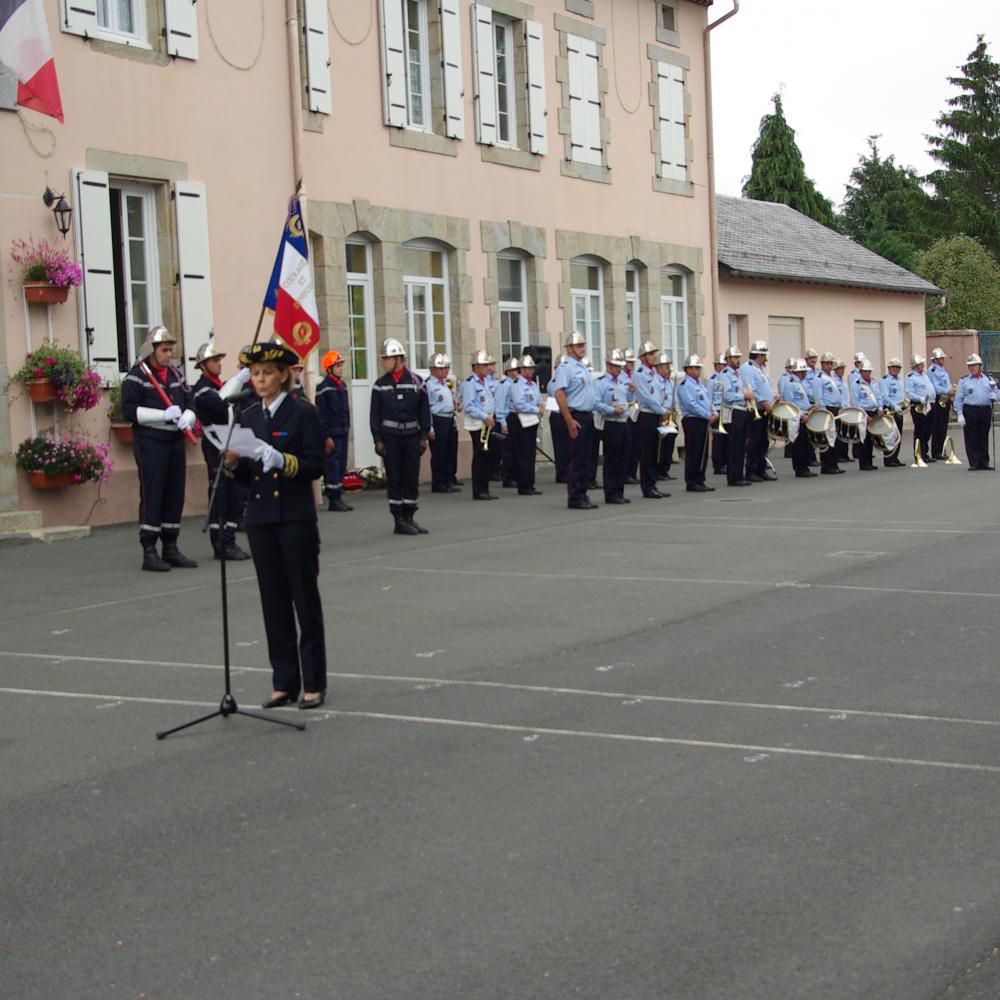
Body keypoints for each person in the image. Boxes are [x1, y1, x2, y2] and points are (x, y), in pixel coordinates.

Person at [222, 341, 327, 710]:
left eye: (267, 373)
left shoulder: (303, 414)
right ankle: (284, 682)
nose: (260, 379)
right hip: (262, 519)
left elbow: (315, 465)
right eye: (255, 373)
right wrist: (234, 463)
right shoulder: (249, 416)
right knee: (273, 603)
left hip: (295, 518)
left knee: (303, 599)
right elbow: (247, 477)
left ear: (283, 375)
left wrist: (282, 459)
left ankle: (314, 682)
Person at [121, 325, 199, 572]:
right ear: (152, 351)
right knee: (153, 492)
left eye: (170, 350)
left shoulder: (176, 374)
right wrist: (162, 415)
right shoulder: (136, 376)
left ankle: (171, 547)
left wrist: (189, 415)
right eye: (165, 350)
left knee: (175, 494)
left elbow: (191, 400)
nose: (169, 355)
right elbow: (130, 410)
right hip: (150, 441)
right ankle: (149, 550)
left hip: (175, 441)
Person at [191, 341, 250, 561]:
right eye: (214, 360)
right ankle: (221, 544)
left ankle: (229, 540)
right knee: (222, 494)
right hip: (216, 445)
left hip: (231, 443)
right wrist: (238, 380)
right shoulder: (202, 391)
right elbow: (220, 405)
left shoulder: (220, 385)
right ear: (203, 366)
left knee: (234, 494)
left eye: (219, 360)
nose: (219, 364)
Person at [370, 338, 431, 534]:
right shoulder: (380, 385)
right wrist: (378, 440)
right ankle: (398, 518)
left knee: (411, 476)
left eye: (386, 359)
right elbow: (374, 415)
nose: (383, 362)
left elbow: (424, 411)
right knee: (395, 477)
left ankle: (409, 516)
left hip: (411, 436)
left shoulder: (416, 382)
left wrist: (423, 437)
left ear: (398, 359)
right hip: (391, 438)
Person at [550, 332, 598, 509]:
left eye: (583, 345)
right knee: (576, 458)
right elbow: (559, 394)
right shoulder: (565, 367)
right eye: (579, 346)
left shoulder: (582, 366)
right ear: (569, 349)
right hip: (575, 415)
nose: (583, 349)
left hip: (587, 415)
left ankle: (582, 493)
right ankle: (575, 497)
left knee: (586, 458)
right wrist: (569, 420)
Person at [315, 350, 353, 511]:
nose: (340, 368)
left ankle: (338, 494)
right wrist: (326, 436)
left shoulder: (342, 386)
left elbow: (345, 409)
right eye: (337, 366)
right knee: (332, 465)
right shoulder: (323, 388)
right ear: (329, 368)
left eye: (341, 365)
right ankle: (333, 498)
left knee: (341, 464)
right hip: (332, 433)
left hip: (342, 430)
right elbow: (321, 414)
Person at [633, 340, 669, 499]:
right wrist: (661, 410)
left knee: (655, 451)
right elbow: (646, 397)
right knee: (647, 453)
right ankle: (647, 487)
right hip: (647, 414)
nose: (654, 356)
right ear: (643, 357)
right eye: (650, 354)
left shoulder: (653, 373)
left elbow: (659, 393)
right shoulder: (640, 374)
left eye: (654, 353)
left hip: (656, 413)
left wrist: (662, 410)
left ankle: (652, 484)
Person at [676, 355, 717, 492]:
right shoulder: (685, 384)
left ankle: (700, 479)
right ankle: (692, 481)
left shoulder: (699, 383)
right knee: (694, 451)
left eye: (699, 368)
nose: (698, 370)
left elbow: (707, 401)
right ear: (687, 369)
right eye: (695, 368)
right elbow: (691, 404)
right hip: (693, 420)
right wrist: (707, 415)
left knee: (702, 452)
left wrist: (714, 412)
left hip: (703, 420)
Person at [594, 348, 630, 504]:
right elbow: (596, 403)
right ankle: (610, 493)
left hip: (623, 422)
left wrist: (632, 393)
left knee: (623, 459)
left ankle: (619, 491)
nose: (619, 369)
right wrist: (612, 410)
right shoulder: (601, 382)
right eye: (616, 366)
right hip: (610, 422)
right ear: (608, 365)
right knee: (612, 459)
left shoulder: (622, 381)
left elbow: (627, 399)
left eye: (620, 366)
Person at [463, 350, 498, 500]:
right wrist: (485, 417)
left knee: (487, 456)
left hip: (487, 421)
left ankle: (485, 487)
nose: (487, 368)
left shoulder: (485, 381)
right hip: (478, 423)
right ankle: (479, 489)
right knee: (480, 456)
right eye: (483, 366)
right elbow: (469, 406)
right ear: (476, 367)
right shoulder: (470, 383)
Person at [955, 353, 998, 471]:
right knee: (971, 437)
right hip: (970, 410)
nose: (971, 367)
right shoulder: (964, 381)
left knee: (983, 436)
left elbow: (997, 393)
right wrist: (959, 414)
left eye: (974, 365)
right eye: (969, 366)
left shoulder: (988, 379)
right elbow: (958, 399)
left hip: (985, 410)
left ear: (980, 366)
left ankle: (984, 462)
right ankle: (974, 462)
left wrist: (995, 396)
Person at [741, 341, 777, 482]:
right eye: (764, 355)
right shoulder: (748, 368)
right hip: (756, 409)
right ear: (759, 355)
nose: (765, 358)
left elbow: (765, 386)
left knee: (763, 442)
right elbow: (752, 389)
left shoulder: (760, 368)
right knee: (754, 441)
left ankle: (761, 470)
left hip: (765, 409)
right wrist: (764, 403)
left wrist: (774, 397)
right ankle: (751, 471)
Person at [508, 353, 543, 496]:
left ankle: (530, 483)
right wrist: (536, 409)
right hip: (520, 420)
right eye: (527, 369)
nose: (530, 371)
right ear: (521, 370)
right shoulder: (517, 384)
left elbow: (538, 399)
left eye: (531, 369)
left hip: (532, 420)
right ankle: (523, 485)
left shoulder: (533, 384)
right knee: (522, 454)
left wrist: (540, 407)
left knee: (530, 453)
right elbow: (519, 404)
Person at [427, 353, 461, 493]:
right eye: (441, 368)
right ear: (433, 369)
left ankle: (448, 480)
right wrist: (430, 428)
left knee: (449, 451)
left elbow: (452, 397)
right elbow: (426, 408)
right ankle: (438, 482)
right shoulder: (429, 384)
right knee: (439, 453)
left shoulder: (447, 382)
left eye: (447, 368)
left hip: (449, 418)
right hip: (438, 419)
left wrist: (456, 405)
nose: (445, 371)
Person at [779, 358, 815, 478]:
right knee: (798, 445)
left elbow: (801, 401)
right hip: (797, 418)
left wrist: (811, 407)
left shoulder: (799, 383)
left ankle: (804, 466)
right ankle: (800, 469)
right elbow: (790, 403)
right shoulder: (790, 383)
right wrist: (801, 415)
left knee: (804, 443)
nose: (805, 374)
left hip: (804, 415)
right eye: (804, 371)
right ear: (799, 372)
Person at [721, 345, 751, 487]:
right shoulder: (725, 374)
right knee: (734, 445)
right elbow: (727, 396)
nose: (737, 360)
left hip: (742, 410)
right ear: (727, 359)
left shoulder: (738, 374)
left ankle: (739, 474)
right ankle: (733, 477)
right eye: (734, 357)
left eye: (738, 357)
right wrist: (744, 395)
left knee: (741, 446)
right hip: (733, 411)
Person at [814, 353, 844, 475]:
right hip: (827, 409)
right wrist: (823, 410)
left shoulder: (831, 378)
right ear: (822, 364)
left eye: (831, 363)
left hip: (835, 408)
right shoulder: (819, 378)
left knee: (834, 438)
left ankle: (834, 463)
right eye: (827, 363)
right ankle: (826, 465)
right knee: (826, 438)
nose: (830, 366)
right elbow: (818, 397)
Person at [851, 359, 883, 471]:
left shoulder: (874, 382)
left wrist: (880, 408)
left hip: (874, 412)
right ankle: (863, 463)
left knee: (871, 438)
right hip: (864, 412)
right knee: (863, 438)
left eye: (869, 371)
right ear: (861, 372)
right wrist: (865, 416)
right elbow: (856, 402)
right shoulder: (856, 383)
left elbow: (879, 397)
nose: (867, 373)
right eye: (865, 371)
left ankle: (869, 461)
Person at [494, 357, 520, 488]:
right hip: (506, 418)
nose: (517, 372)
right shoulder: (504, 385)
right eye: (515, 370)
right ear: (508, 371)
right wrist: (503, 423)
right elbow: (500, 405)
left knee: (516, 450)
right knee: (508, 451)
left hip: (516, 419)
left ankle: (516, 475)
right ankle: (508, 477)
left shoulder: (518, 384)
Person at [906, 354, 936, 463]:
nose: (923, 365)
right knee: (920, 430)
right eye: (920, 364)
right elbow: (909, 393)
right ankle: (919, 454)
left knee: (928, 428)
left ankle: (925, 452)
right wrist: (920, 398)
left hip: (929, 403)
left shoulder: (924, 375)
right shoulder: (910, 377)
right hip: (919, 405)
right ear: (915, 366)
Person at [927, 347, 955, 460]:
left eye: (943, 358)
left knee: (943, 426)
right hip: (939, 399)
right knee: (937, 426)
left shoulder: (942, 370)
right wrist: (946, 391)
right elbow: (935, 386)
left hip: (945, 398)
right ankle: (936, 451)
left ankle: (941, 450)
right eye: (940, 358)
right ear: (935, 359)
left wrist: (950, 390)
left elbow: (945, 383)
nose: (942, 360)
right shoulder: (933, 370)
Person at [879, 358, 907, 468]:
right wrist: (893, 405)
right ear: (889, 368)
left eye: (897, 368)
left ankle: (895, 457)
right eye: (893, 367)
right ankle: (888, 458)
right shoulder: (885, 380)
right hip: (890, 409)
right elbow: (885, 397)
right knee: (889, 435)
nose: (895, 369)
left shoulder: (899, 381)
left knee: (898, 434)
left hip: (898, 410)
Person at [654, 353, 677, 482]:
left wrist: (675, 413)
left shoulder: (671, 382)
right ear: (659, 368)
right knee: (660, 444)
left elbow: (675, 399)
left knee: (669, 443)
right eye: (666, 366)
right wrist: (662, 413)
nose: (668, 369)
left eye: (668, 366)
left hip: (670, 415)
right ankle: (658, 470)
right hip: (661, 414)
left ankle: (665, 470)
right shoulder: (656, 381)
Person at [708, 353, 728, 476]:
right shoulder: (712, 380)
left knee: (725, 439)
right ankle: (718, 465)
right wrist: (713, 413)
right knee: (718, 440)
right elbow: (709, 398)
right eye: (722, 365)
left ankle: (724, 463)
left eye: (725, 365)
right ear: (716, 365)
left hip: (725, 410)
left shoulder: (725, 378)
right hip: (716, 410)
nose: (724, 367)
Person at [623, 349, 640, 484]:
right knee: (627, 446)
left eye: (632, 362)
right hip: (626, 412)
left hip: (635, 412)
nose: (631, 364)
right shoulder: (622, 377)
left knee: (635, 445)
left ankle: (632, 472)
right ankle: (626, 473)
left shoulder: (633, 376)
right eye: (629, 362)